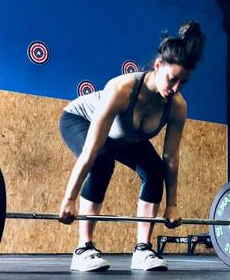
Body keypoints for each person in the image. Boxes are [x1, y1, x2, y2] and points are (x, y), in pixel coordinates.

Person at [58, 21, 205, 272]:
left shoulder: (177, 106)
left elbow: (170, 158)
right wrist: (69, 198)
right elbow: (91, 151)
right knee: (102, 162)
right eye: (172, 79)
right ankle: (83, 249)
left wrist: (172, 204)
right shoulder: (122, 89)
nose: (176, 88)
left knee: (155, 169)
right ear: (158, 66)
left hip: (125, 137)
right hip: (80, 120)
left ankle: (143, 250)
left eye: (183, 83)